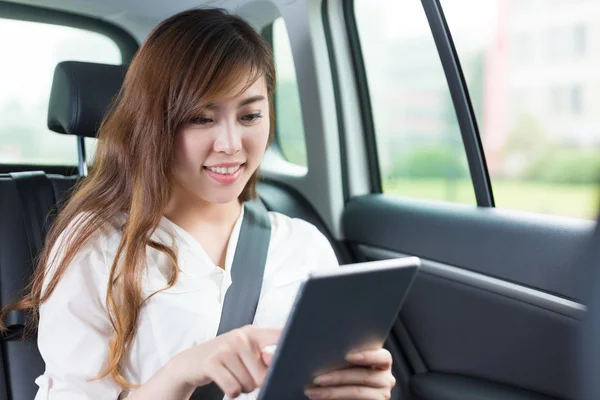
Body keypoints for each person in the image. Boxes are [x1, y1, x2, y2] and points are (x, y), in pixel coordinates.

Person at [0, 8, 396, 400]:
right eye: (202, 119)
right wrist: (182, 373)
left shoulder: (303, 245)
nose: (230, 145)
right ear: (154, 123)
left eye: (251, 115)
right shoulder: (95, 245)